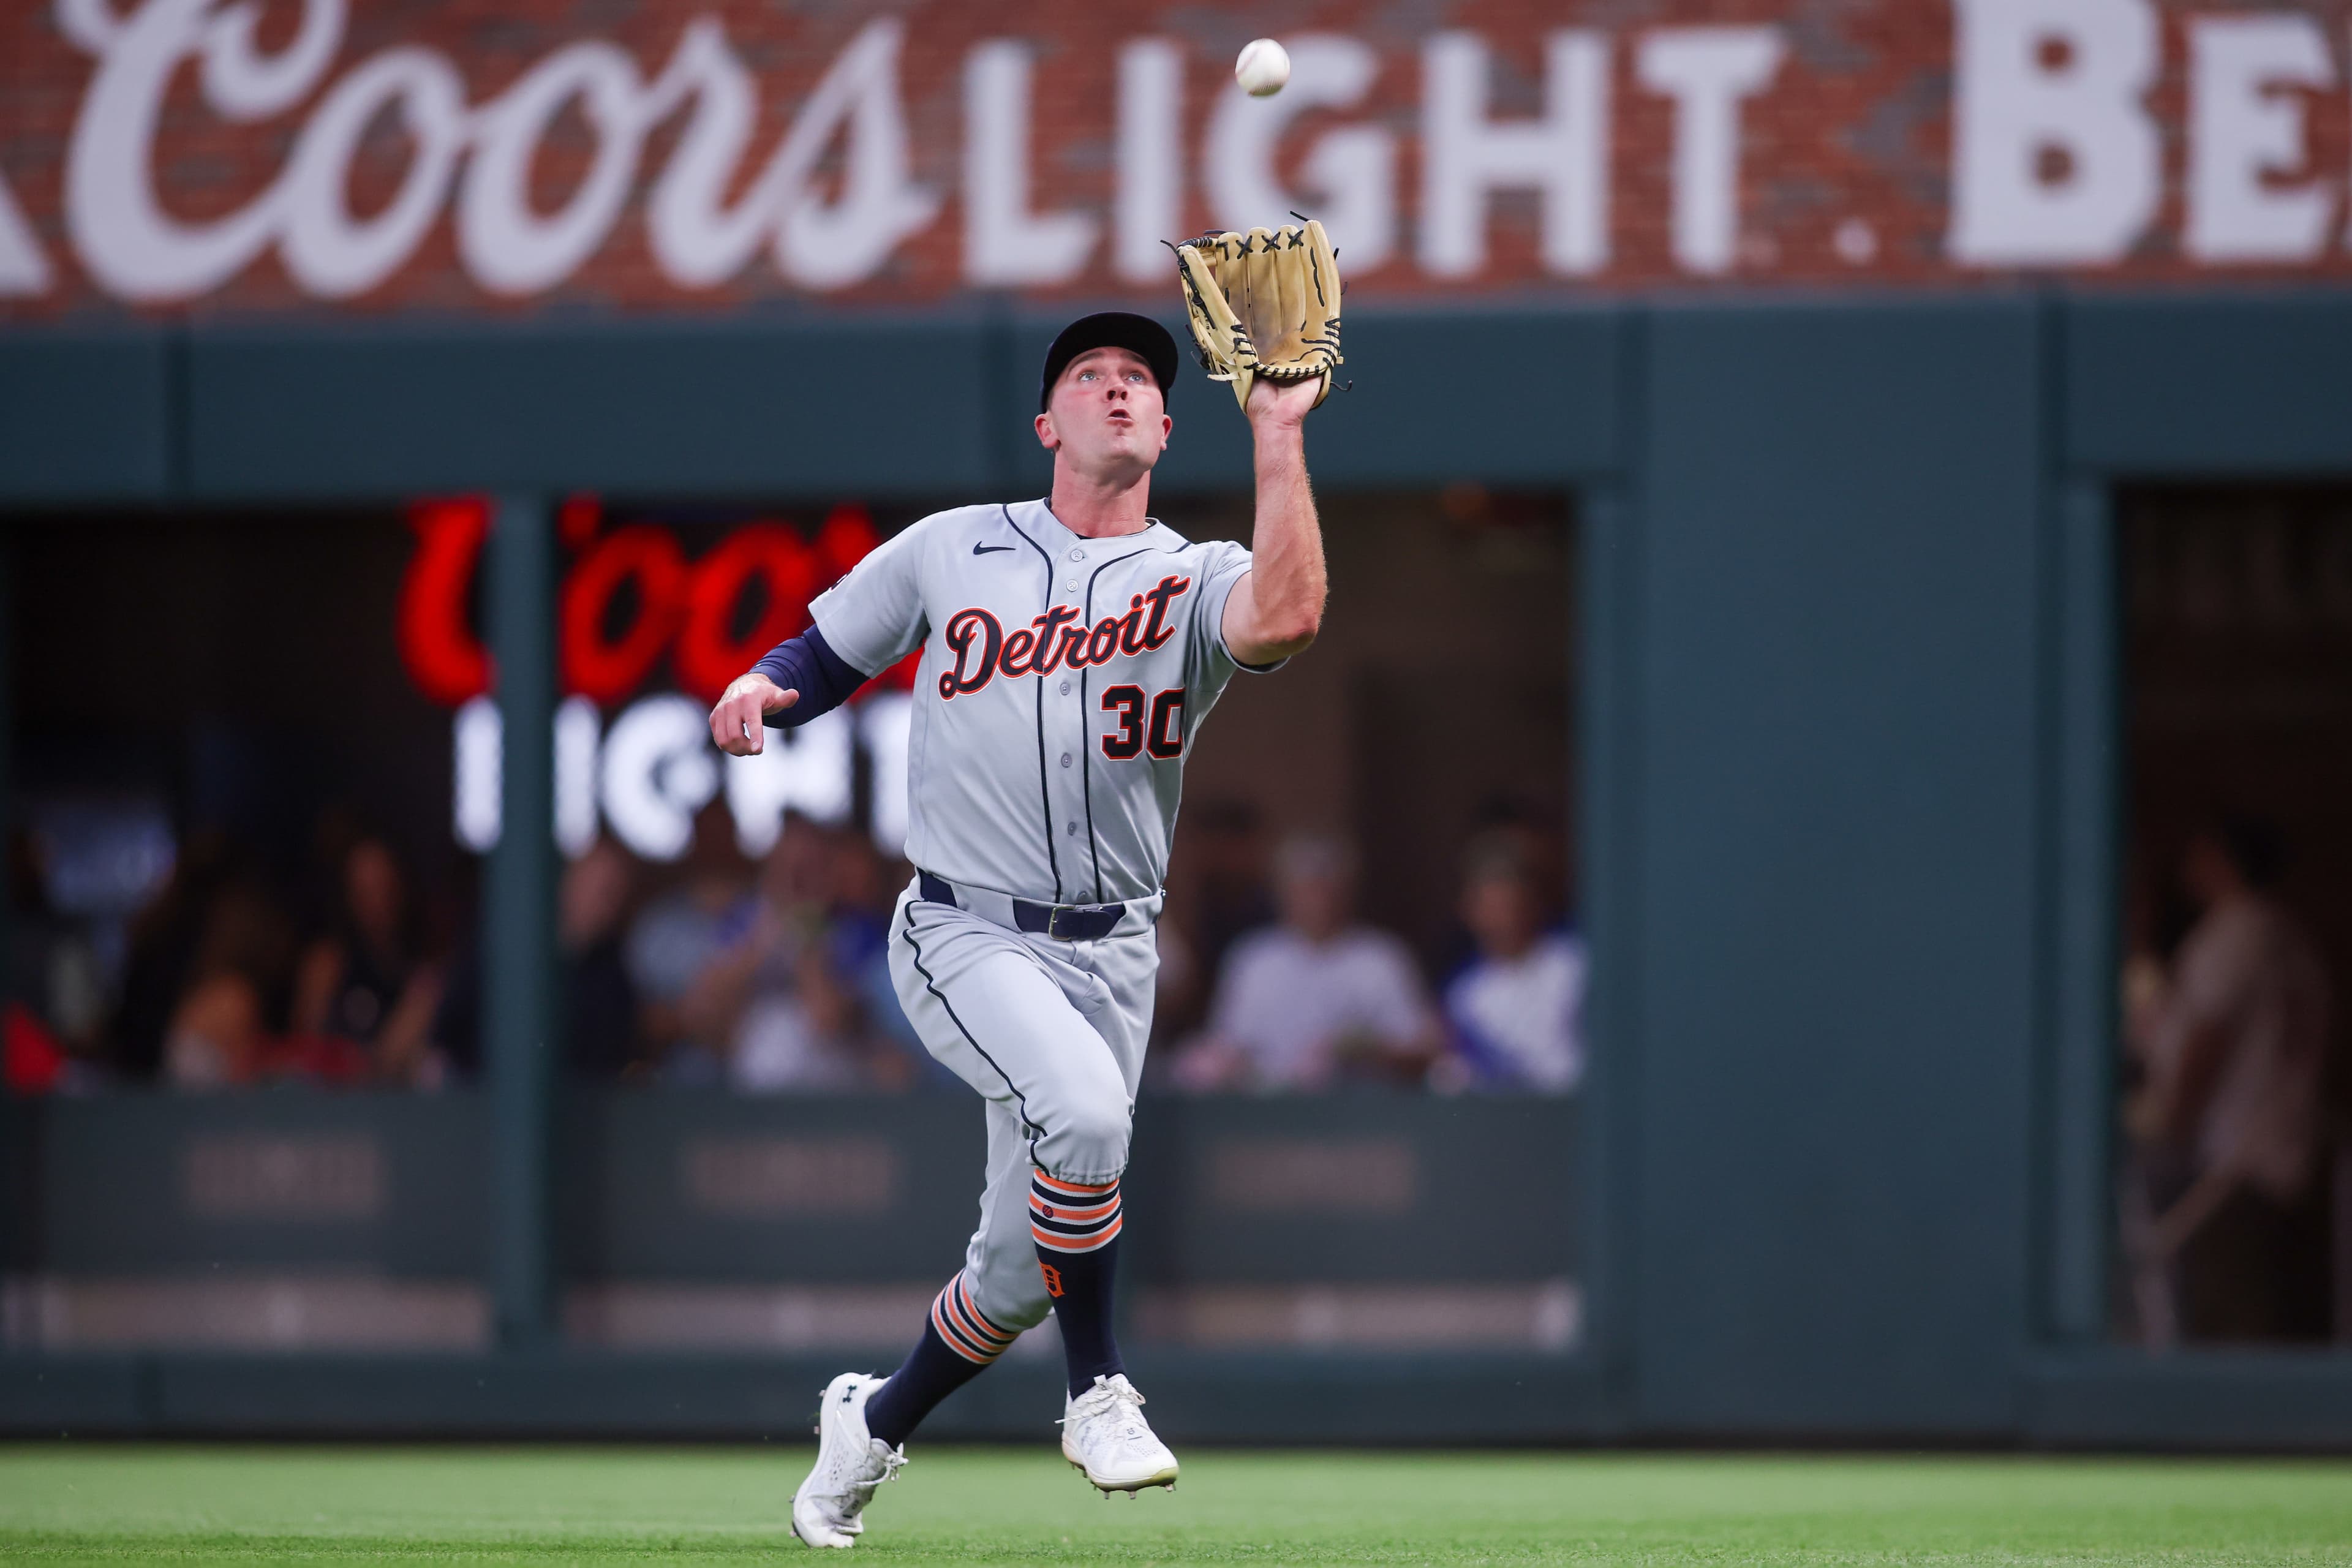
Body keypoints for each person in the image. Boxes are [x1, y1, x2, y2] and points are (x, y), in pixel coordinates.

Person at [708, 311, 1326, 1544]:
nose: (1114, 388)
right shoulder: (955, 549)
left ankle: (870, 1424)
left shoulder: (1194, 573)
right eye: (1088, 375)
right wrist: (763, 682)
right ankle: (1099, 1391)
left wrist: (1275, 431)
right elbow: (830, 647)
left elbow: (1291, 614)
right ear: (1047, 423)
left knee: (1010, 1275)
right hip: (962, 931)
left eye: (1138, 379)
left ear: (1160, 425)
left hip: (1114, 950)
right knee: (1087, 1119)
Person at [2125, 818, 2332, 1341]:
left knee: (2233, 1328)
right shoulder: (2287, 934)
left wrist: (2174, 1130)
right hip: (2278, 1154)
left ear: (2222, 858)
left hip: (2228, 1166)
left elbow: (2209, 1042)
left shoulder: (2238, 932)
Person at [1171, 835, 1439, 1092]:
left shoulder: (1381, 958)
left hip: (1360, 1114)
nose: (1317, 898)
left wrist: (1361, 1048)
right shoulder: (1253, 959)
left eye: (1326, 884)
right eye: (1306, 885)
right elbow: (1225, 1048)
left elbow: (1421, 1050)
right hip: (1268, 1116)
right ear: (1283, 891)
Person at [1438, 835, 1586, 1093]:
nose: (1502, 921)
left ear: (1532, 904)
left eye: (1509, 906)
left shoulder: (1573, 963)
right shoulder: (1464, 994)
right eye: (1490, 908)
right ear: (1468, 911)